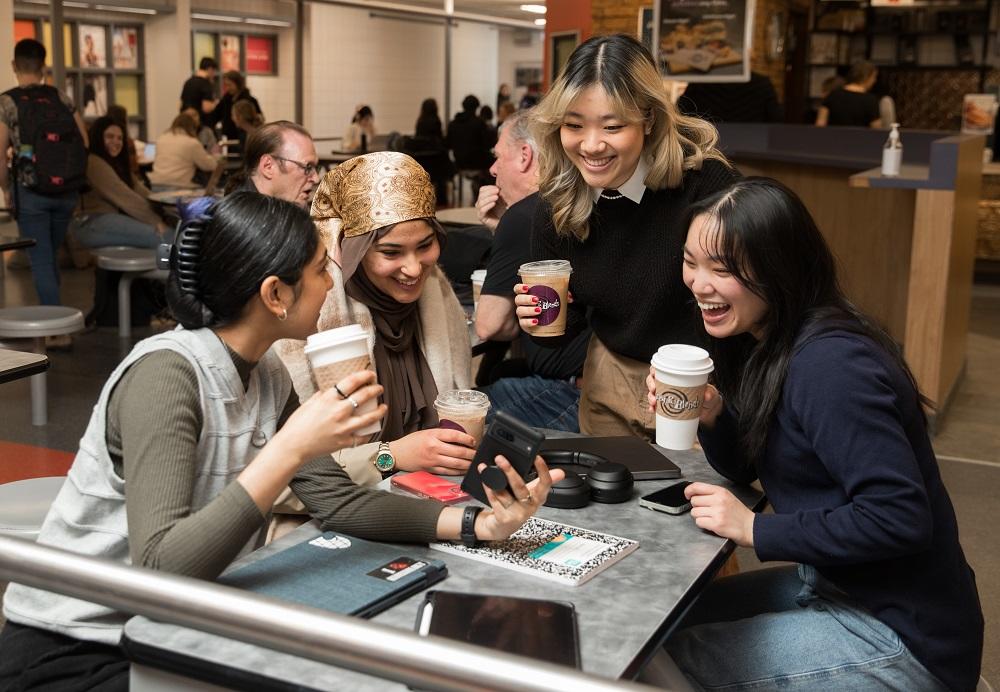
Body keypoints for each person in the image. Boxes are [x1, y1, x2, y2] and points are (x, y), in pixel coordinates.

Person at [0, 192, 561, 690]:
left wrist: (479, 526)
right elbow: (157, 570)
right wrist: (289, 447)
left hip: (172, 627)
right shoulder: (167, 376)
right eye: (322, 270)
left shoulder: (264, 371)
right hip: (78, 646)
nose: (331, 283)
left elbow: (337, 501)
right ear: (275, 294)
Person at [641, 177, 983, 692]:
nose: (698, 283)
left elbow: (900, 517)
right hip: (832, 585)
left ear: (779, 269)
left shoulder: (830, 364)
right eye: (691, 261)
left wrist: (757, 531)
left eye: (723, 268)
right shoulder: (770, 339)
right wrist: (714, 415)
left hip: (902, 634)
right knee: (656, 629)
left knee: (661, 664)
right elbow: (756, 466)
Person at [514, 33, 737, 437]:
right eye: (574, 125)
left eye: (613, 126)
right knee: (608, 501)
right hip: (609, 380)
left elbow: (750, 298)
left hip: (700, 382)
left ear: (649, 119)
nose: (591, 145)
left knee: (696, 497)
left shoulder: (706, 187)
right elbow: (564, 329)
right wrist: (540, 319)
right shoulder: (559, 200)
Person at [276, 152, 482, 487]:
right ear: (352, 250)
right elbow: (289, 472)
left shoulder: (436, 294)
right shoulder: (312, 314)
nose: (414, 268)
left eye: (426, 245)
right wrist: (393, 455)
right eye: (391, 252)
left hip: (433, 490)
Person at [474, 110, 591, 431]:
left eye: (498, 157)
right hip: (616, 384)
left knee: (456, 412)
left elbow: (491, 326)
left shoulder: (526, 215)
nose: (493, 169)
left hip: (577, 394)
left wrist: (507, 226)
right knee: (501, 373)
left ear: (525, 155)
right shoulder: (579, 201)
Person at [0, 39, 89, 309]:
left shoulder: (7, 102)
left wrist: (6, 188)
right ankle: (57, 318)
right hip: (66, 191)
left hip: (31, 192)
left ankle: (56, 331)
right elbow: (84, 142)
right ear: (44, 66)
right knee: (48, 257)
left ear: (14, 65)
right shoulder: (60, 97)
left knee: (41, 260)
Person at [71, 116, 171, 249]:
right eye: (110, 136)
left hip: (106, 219)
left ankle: (166, 268)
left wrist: (166, 208)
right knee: (166, 237)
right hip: (91, 223)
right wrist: (157, 220)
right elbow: (126, 197)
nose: (116, 142)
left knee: (169, 237)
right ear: (97, 137)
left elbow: (143, 192)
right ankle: (168, 268)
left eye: (120, 138)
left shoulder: (117, 164)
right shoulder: (94, 162)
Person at [225, 120, 319, 208]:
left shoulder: (287, 212)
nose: (316, 179)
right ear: (268, 167)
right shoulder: (239, 223)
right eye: (308, 167)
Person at [148, 113, 222, 190]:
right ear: (192, 127)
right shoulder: (192, 143)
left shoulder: (162, 138)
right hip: (179, 187)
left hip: (156, 184)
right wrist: (217, 157)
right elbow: (209, 165)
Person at [677, 72, 782, 123]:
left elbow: (680, 113)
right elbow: (775, 120)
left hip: (709, 148)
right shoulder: (762, 83)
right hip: (751, 149)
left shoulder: (701, 81)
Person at [447, 95, 495, 199]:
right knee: (497, 164)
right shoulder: (479, 123)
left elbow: (448, 144)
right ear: (476, 108)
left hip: (459, 162)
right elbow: (488, 144)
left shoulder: (453, 123)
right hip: (478, 163)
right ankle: (488, 196)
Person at [815, 61, 881, 128]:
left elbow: (820, 125)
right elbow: (876, 129)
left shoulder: (832, 95)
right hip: (859, 138)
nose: (874, 81)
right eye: (874, 77)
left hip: (833, 137)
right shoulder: (870, 100)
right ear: (866, 76)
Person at [208, 70, 262, 146]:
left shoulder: (250, 100)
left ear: (238, 84)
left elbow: (258, 120)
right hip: (229, 139)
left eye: (229, 85)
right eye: (225, 85)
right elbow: (214, 117)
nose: (227, 88)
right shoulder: (225, 100)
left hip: (245, 139)